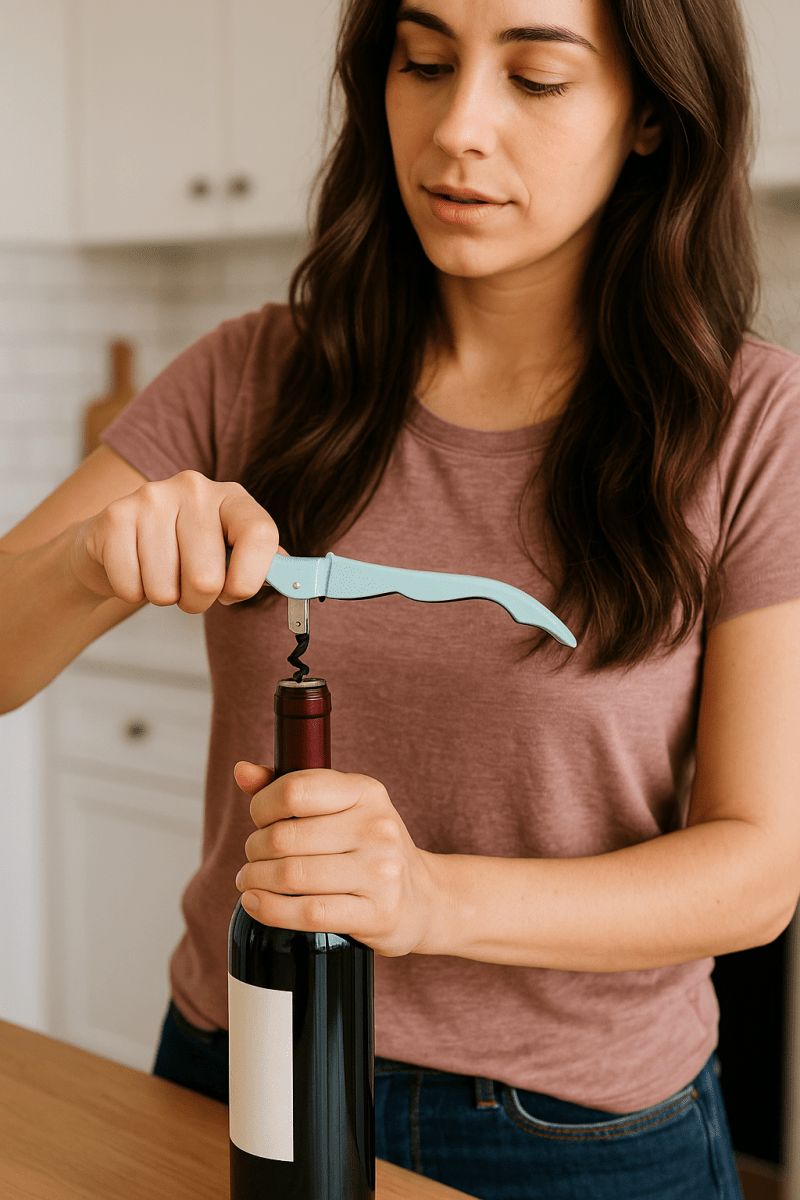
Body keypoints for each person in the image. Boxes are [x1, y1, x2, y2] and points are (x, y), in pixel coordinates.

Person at [1, 0, 799, 1195]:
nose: (455, 126)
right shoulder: (248, 375)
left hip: (572, 1138)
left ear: (649, 111)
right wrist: (86, 562)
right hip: (233, 1066)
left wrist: (426, 897)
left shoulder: (754, 424)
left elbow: (756, 870)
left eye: (533, 79)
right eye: (423, 63)